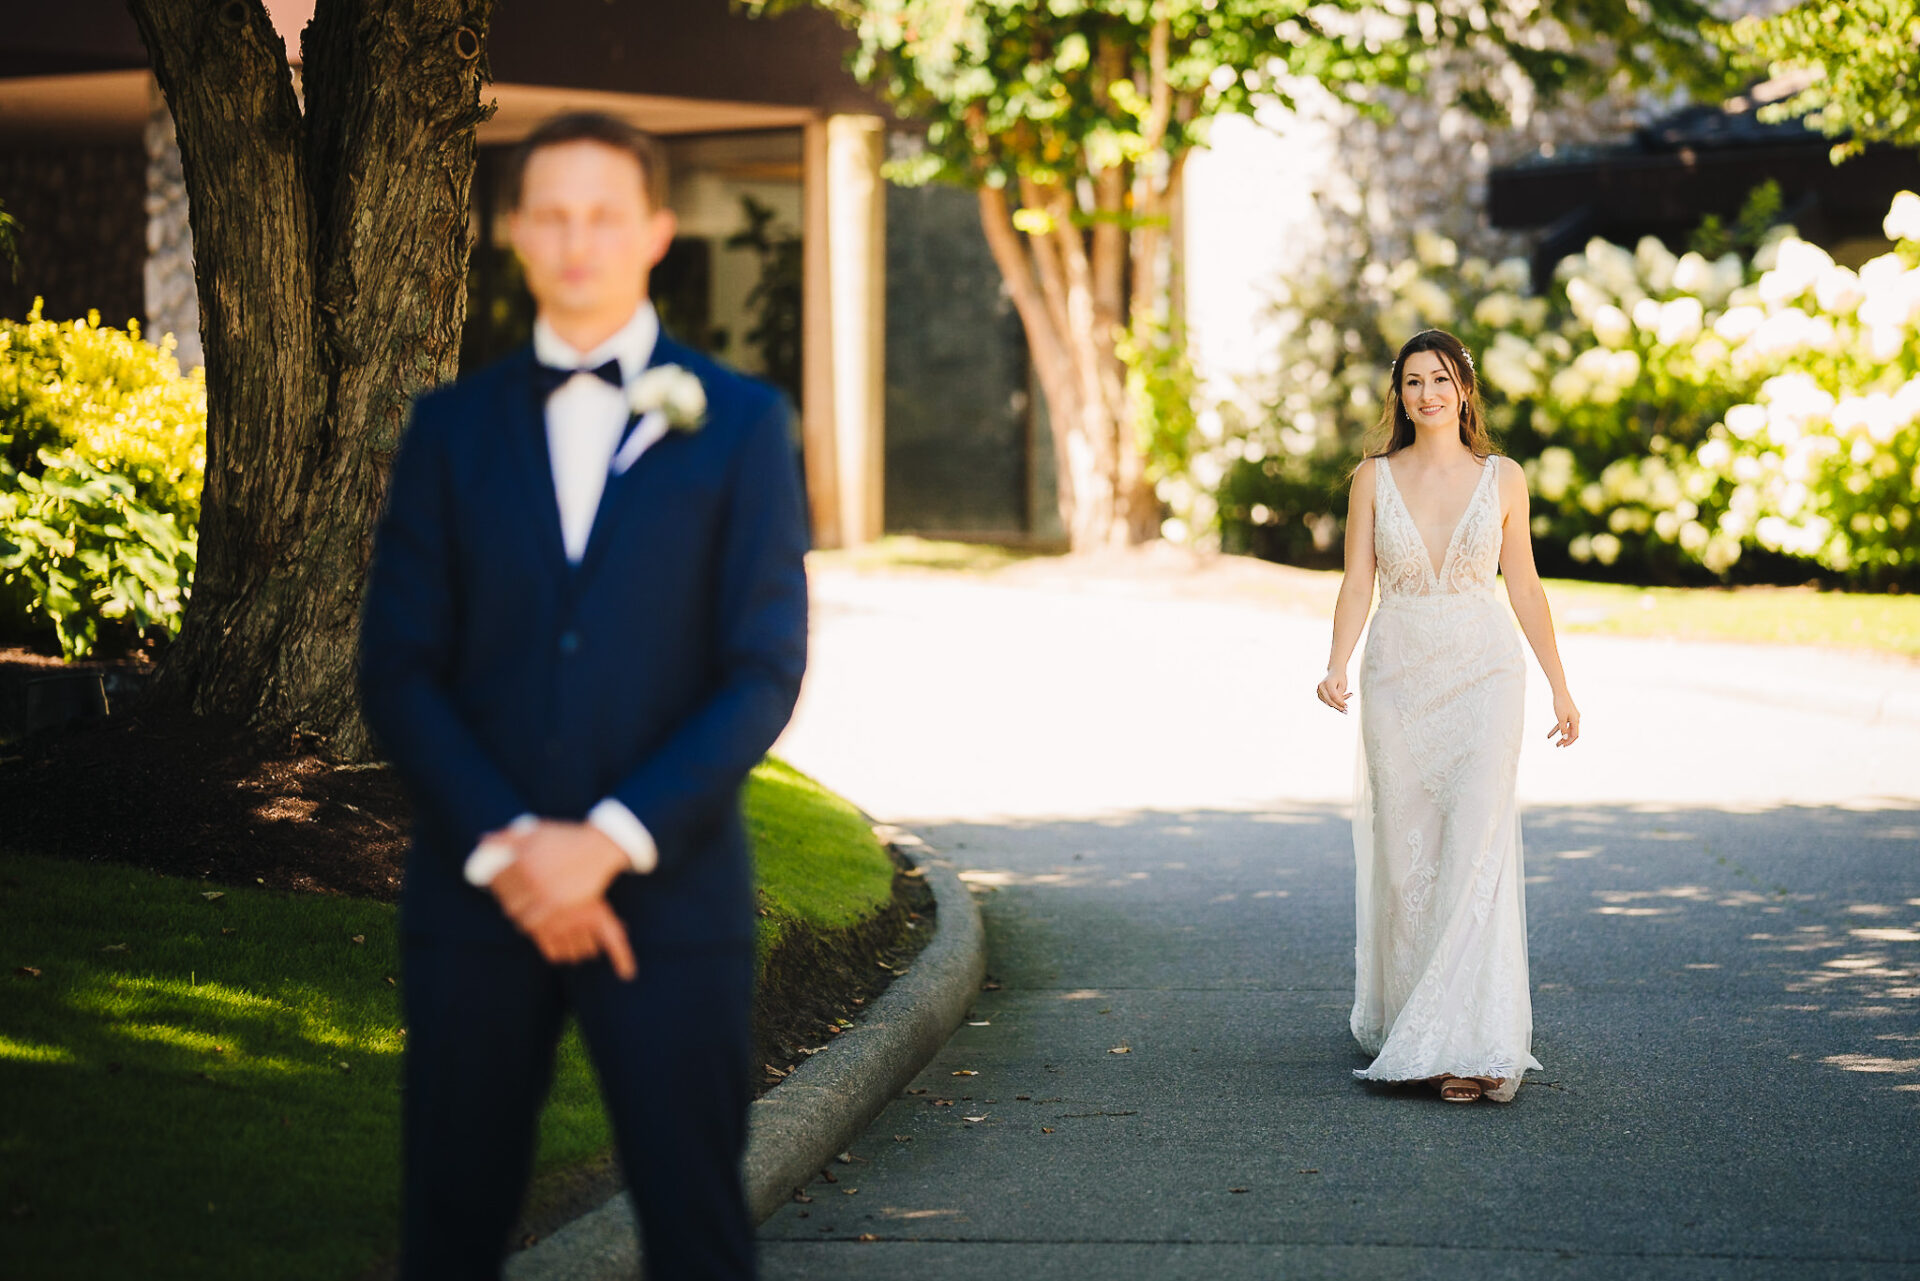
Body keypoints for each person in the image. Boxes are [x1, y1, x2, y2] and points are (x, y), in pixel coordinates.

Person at [360, 111, 809, 1277]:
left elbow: (763, 668)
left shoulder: (745, 426)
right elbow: (399, 668)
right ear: (512, 232)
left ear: (656, 230)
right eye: (550, 213)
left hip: (675, 902)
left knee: (699, 1234)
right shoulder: (448, 431)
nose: (577, 240)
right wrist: (516, 847)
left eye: (603, 213)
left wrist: (605, 843)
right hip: (477, 902)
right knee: (449, 1232)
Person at [1314, 327, 1578, 1105]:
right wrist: (1336, 661)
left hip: (1486, 674)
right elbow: (1357, 580)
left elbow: (1525, 586)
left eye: (1439, 379)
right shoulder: (1372, 477)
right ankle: (1416, 1025)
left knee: (1476, 845)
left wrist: (1560, 685)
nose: (1425, 393)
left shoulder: (1504, 478)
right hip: (1398, 674)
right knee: (1409, 855)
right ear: (1398, 394)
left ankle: (1474, 1039)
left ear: (1463, 387)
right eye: (1411, 381)